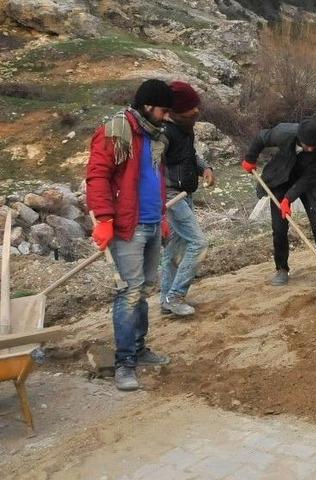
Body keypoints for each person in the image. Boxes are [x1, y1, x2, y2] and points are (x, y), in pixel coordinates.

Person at [86, 79, 173, 391]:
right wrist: (104, 219)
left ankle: (138, 349)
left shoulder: (154, 136)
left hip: (150, 222)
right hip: (128, 226)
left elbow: (155, 180)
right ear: (148, 106)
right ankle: (125, 362)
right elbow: (97, 176)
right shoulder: (116, 131)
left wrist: (162, 216)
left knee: (144, 289)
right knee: (129, 292)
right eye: (164, 110)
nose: (166, 116)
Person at [241, 119, 316, 287]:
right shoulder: (284, 133)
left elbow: (308, 179)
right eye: (306, 145)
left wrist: (289, 198)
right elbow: (260, 138)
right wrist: (250, 159)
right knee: (278, 228)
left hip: (310, 181)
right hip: (282, 175)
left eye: (313, 146)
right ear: (299, 138)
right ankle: (281, 269)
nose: (309, 149)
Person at [160, 81, 214, 317]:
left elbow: (190, 156)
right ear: (174, 111)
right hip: (171, 199)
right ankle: (176, 295)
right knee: (198, 243)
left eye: (196, 106)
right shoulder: (163, 136)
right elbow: (151, 170)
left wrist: (205, 168)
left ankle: (166, 300)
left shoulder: (185, 128)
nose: (196, 112)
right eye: (190, 108)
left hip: (185, 194)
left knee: (174, 251)